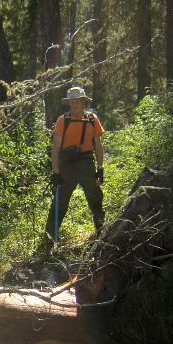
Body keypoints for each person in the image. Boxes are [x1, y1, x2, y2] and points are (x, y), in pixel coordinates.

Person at [45, 85, 105, 245]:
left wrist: (100, 168)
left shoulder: (93, 120)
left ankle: (102, 235)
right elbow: (55, 148)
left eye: (78, 102)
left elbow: (98, 145)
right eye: (72, 103)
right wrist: (56, 172)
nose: (75, 105)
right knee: (59, 203)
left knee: (95, 199)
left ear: (83, 103)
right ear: (69, 104)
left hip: (87, 164)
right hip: (66, 166)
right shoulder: (62, 121)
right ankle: (48, 241)